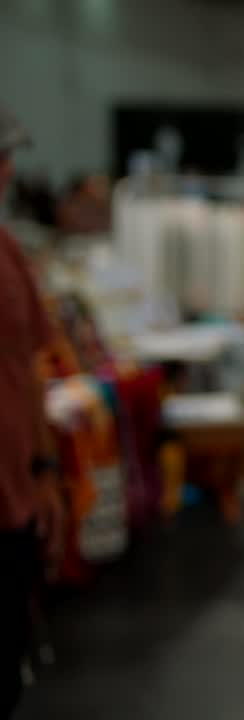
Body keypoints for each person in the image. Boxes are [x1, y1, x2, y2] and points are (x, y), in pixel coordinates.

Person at [0, 106, 64, 719]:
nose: (7, 171)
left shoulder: (8, 252)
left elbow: (31, 369)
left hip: (14, 498)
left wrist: (44, 468)